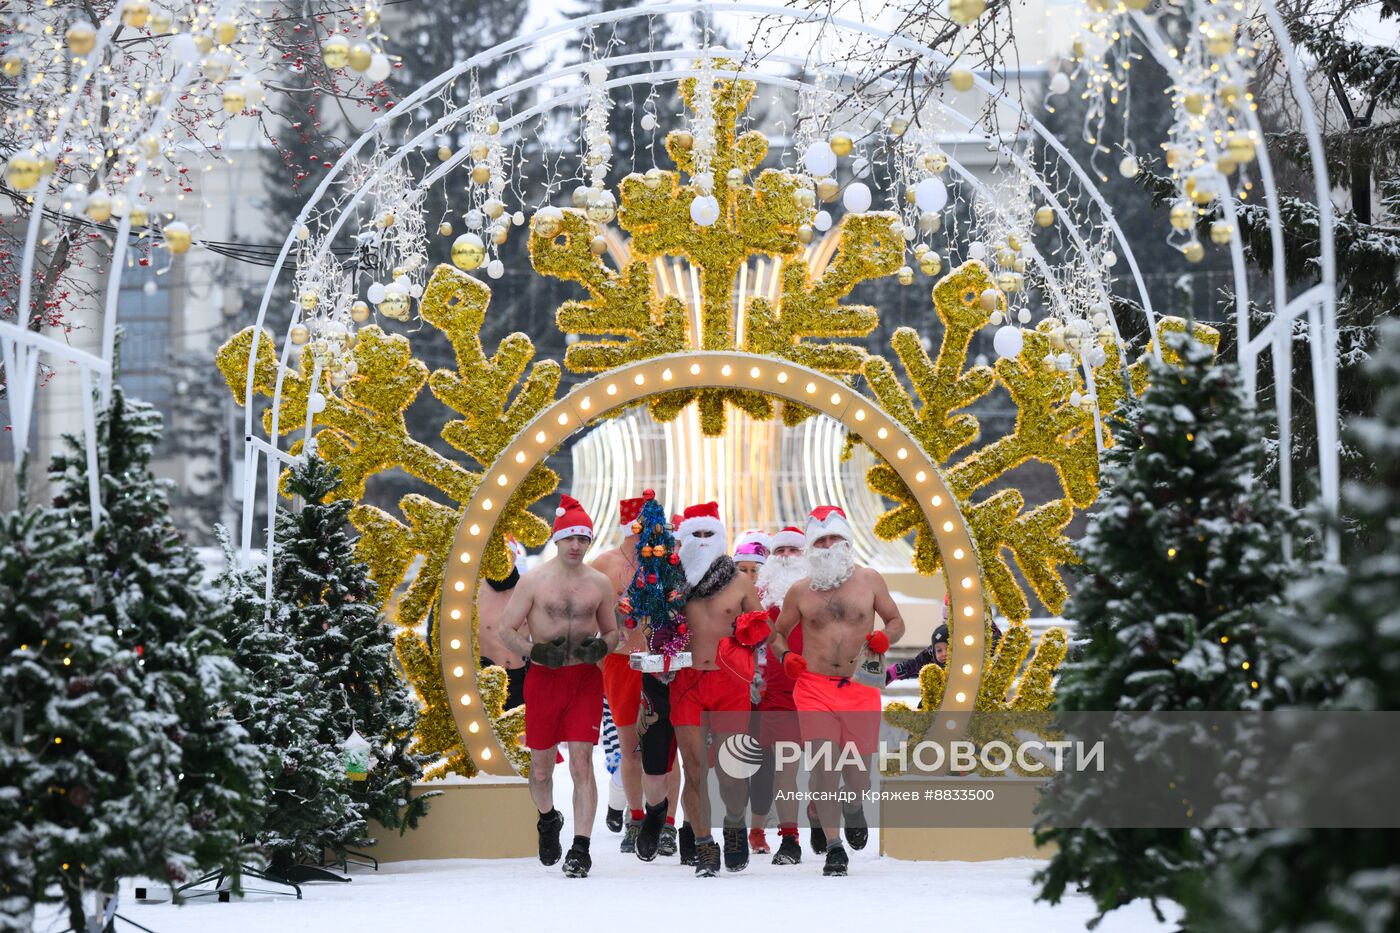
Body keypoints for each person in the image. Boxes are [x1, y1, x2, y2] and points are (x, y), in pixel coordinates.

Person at [771, 505, 906, 877]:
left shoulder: (869, 580)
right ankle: (834, 847)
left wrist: (884, 636)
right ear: (812, 545)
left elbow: (896, 621)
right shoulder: (801, 590)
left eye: (835, 538)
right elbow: (777, 634)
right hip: (813, 688)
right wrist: (786, 658)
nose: (829, 545)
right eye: (821, 540)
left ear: (846, 540)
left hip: (861, 685)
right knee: (824, 766)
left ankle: (851, 805)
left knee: (858, 773)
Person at [497, 495, 620, 879]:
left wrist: (601, 646)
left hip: (583, 678)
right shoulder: (535, 581)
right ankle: (548, 819)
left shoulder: (598, 583)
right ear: (557, 539)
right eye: (570, 538)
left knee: (583, 764)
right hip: (544, 679)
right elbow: (506, 629)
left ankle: (581, 848)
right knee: (540, 770)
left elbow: (614, 632)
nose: (576, 545)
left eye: (583, 539)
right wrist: (535, 653)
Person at [666, 501, 765, 877]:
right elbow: (645, 624)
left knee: (731, 769)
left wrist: (749, 630)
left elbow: (759, 627)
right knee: (693, 769)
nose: (703, 541)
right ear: (684, 539)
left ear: (721, 538)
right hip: (687, 682)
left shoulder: (740, 581)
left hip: (729, 684)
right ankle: (705, 845)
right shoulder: (672, 581)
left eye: (710, 534)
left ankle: (735, 826)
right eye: (696, 534)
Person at [748, 524, 809, 863]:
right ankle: (789, 837)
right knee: (784, 767)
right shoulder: (758, 591)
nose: (786, 556)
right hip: (778, 692)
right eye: (780, 550)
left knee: (825, 767)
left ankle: (820, 818)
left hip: (821, 689)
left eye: (793, 550)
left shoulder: (822, 589)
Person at [477, 536, 530, 709]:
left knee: (525, 736)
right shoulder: (473, 593)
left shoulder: (530, 590)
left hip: (522, 678)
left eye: (507, 553)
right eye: (496, 553)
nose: (501, 558)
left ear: (515, 555)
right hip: (485, 680)